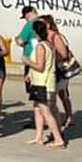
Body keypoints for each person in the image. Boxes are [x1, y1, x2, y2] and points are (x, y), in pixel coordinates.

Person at [23, 19, 66, 149]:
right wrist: (29, 74)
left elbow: (40, 66)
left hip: (43, 82)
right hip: (40, 81)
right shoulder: (48, 45)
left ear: (36, 32)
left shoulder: (41, 47)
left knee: (46, 111)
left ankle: (58, 139)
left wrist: (27, 62)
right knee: (37, 108)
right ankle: (39, 136)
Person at [41, 15, 75, 129]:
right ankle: (50, 119)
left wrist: (50, 56)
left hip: (58, 69)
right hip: (49, 69)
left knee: (62, 94)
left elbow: (63, 54)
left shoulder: (55, 36)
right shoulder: (43, 37)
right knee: (51, 95)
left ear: (48, 24)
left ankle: (68, 117)